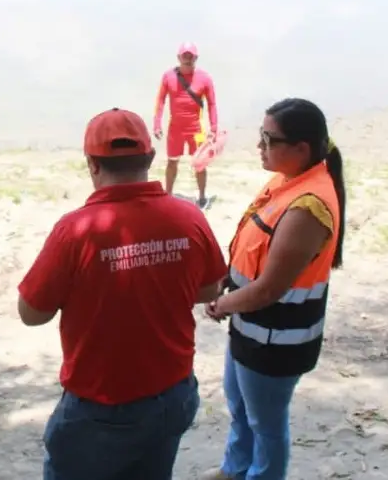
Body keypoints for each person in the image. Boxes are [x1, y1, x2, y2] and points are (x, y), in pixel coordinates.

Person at [17, 107, 229, 480]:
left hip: (101, 406)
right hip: (173, 393)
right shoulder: (188, 217)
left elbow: (32, 313)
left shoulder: (75, 231)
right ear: (150, 157)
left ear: (92, 165)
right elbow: (211, 287)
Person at [201, 98, 347, 480]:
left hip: (276, 339)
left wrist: (222, 304)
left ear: (301, 149)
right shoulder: (288, 179)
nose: (259, 146)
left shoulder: (307, 208)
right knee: (240, 409)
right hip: (250, 327)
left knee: (266, 424)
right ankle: (235, 470)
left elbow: (269, 289)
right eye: (261, 135)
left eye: (269, 139)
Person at [152, 41, 219, 206]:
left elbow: (212, 104)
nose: (188, 60)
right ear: (179, 57)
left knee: (200, 163)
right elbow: (160, 101)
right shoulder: (168, 76)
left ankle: (202, 197)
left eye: (191, 57)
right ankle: (168, 195)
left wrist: (214, 128)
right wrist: (157, 124)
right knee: (172, 162)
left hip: (196, 129)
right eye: (185, 56)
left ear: (196, 58)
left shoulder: (205, 78)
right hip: (175, 128)